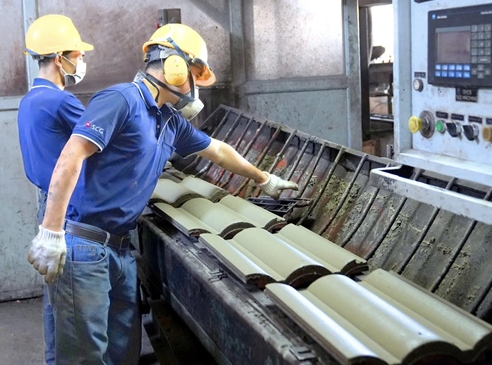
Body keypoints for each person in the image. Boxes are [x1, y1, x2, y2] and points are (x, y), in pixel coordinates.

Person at [26, 23, 299, 364]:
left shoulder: (169, 121)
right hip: (85, 246)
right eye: (196, 73)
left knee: (123, 352)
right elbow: (71, 155)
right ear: (177, 67)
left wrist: (264, 180)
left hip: (120, 248)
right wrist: (51, 231)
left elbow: (217, 150)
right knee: (84, 357)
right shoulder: (121, 100)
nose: (196, 85)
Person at [17, 14, 94, 365]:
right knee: (77, 317)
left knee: (57, 304)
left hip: (47, 209)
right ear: (60, 57)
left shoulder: (30, 99)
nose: (81, 62)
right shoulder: (61, 101)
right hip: (70, 212)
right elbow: (102, 139)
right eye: (77, 55)